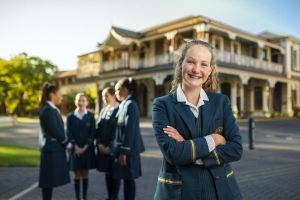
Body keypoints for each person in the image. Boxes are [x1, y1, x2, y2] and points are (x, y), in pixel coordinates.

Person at [152, 40, 243, 200]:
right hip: (181, 193)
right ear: (181, 63)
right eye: (191, 62)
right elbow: (173, 153)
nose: (196, 69)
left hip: (221, 191)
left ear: (210, 70)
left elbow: (236, 149)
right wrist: (215, 139)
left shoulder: (221, 102)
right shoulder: (162, 105)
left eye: (204, 64)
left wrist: (190, 149)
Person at [113, 77, 145, 200]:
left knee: (129, 180)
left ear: (126, 89)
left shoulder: (130, 105)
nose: (116, 93)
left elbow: (130, 130)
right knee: (126, 179)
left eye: (118, 90)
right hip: (124, 149)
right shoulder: (124, 104)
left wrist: (124, 152)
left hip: (129, 151)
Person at [38, 82, 70, 200]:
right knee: (47, 182)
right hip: (50, 150)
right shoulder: (47, 109)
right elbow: (55, 130)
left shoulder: (51, 109)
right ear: (52, 94)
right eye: (60, 95)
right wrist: (68, 143)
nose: (61, 97)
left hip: (53, 149)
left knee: (49, 181)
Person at [67, 93, 96, 200]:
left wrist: (85, 146)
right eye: (79, 100)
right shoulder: (70, 116)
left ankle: (84, 197)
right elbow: (69, 133)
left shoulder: (91, 116)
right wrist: (76, 147)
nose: (81, 103)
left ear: (87, 102)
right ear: (75, 102)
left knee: (85, 173)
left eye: (83, 100)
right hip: (75, 150)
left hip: (87, 150)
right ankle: (77, 198)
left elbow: (93, 133)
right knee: (77, 174)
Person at [95, 87, 121, 200]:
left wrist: (110, 147)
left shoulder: (120, 109)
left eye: (106, 96)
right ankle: (109, 197)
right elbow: (98, 128)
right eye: (102, 96)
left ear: (113, 95)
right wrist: (99, 144)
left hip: (114, 149)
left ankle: (114, 197)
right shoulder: (103, 110)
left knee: (115, 174)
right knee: (107, 173)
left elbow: (119, 131)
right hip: (103, 148)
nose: (104, 98)